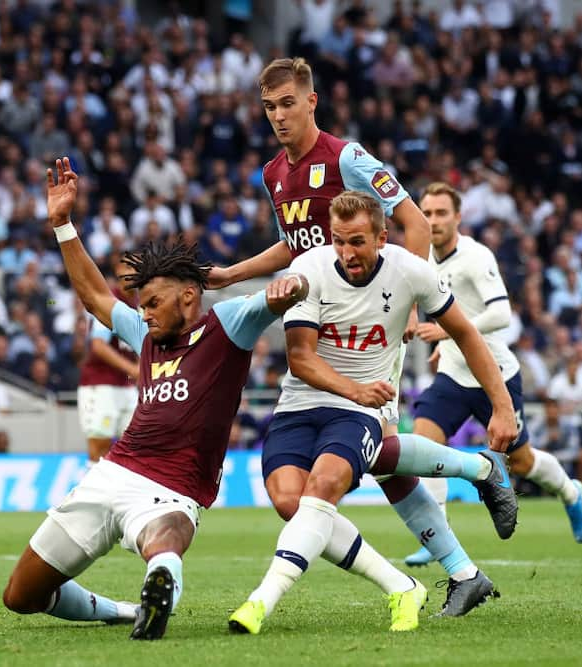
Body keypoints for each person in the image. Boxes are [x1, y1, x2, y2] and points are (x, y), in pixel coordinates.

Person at [208, 56, 489, 590]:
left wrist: (405, 306)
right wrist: (231, 274)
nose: (279, 116)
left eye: (288, 103)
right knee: (378, 455)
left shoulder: (349, 158)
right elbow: (296, 246)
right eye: (269, 108)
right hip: (312, 323)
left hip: (368, 320)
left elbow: (412, 222)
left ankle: (468, 522)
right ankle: (465, 544)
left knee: (377, 446)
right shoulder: (274, 174)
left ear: (311, 101)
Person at [2, 158, 308, 641]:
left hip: (175, 489)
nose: (142, 314)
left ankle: (160, 580)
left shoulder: (225, 326)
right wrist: (62, 225)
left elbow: (276, 295)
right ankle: (128, 609)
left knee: (163, 540)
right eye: (140, 305)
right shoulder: (143, 334)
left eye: (152, 303)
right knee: (21, 596)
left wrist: (292, 287)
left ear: (189, 298)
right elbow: (93, 299)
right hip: (114, 473)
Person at [228, 191, 518, 635]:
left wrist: (503, 405)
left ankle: (260, 602)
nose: (347, 253)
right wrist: (356, 390)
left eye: (358, 242)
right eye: (340, 241)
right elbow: (301, 358)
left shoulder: (410, 270)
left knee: (328, 484)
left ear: (382, 237)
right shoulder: (309, 268)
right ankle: (475, 486)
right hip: (306, 403)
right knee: (302, 497)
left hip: (365, 400)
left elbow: (465, 333)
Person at [401, 183, 582, 569]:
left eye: (441, 213)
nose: (433, 220)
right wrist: (446, 344)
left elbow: (502, 314)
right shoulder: (422, 260)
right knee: (423, 445)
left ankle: (571, 492)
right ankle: (436, 536)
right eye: (427, 213)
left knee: (520, 462)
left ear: (458, 217)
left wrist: (449, 331)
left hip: (495, 376)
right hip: (454, 374)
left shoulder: (475, 256)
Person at [77, 258, 140, 463]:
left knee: (135, 447)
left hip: (128, 387)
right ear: (118, 270)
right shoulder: (109, 301)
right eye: (128, 267)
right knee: (99, 449)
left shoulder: (141, 304)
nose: (133, 272)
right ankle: (94, 495)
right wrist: (133, 368)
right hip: (100, 384)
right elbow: (98, 345)